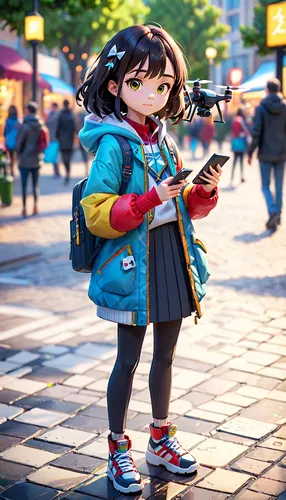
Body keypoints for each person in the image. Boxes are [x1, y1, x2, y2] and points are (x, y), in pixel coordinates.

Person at [76, 24, 222, 495]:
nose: (153, 95)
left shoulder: (165, 139)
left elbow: (181, 209)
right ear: (115, 85)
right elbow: (97, 212)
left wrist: (201, 193)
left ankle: (160, 437)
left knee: (166, 355)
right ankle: (118, 445)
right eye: (140, 83)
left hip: (170, 259)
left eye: (163, 86)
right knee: (128, 359)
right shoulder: (112, 145)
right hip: (130, 264)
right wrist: (146, 200)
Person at [248, 78, 286, 230]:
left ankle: (272, 211)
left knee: (265, 185)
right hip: (282, 153)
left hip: (265, 153)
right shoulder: (284, 107)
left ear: (267, 90)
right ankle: (278, 213)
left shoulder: (261, 108)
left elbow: (257, 132)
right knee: (279, 185)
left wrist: (250, 152)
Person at [16, 102, 44, 217]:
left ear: (28, 111)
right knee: (35, 184)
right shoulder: (40, 124)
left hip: (25, 160)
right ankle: (35, 206)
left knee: (24, 185)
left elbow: (18, 145)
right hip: (36, 158)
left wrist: (19, 154)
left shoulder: (24, 126)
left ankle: (24, 208)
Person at [56, 100, 76, 183]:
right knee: (69, 158)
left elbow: (58, 127)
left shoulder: (60, 115)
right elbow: (75, 127)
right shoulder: (72, 115)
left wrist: (58, 137)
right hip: (70, 140)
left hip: (62, 139)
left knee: (64, 158)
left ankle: (67, 172)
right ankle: (68, 172)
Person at [230, 108, 249, 184]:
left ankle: (232, 177)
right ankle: (241, 176)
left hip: (235, 142)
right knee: (241, 161)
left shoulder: (235, 119)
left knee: (234, 161)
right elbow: (244, 131)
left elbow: (233, 131)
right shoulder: (241, 120)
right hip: (241, 143)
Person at [4, 105, 20, 177]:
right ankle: (14, 168)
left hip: (9, 141)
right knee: (15, 156)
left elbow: (5, 132)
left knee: (10, 156)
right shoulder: (18, 121)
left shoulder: (8, 121)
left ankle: (11, 169)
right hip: (17, 140)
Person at [46, 102, 60, 177]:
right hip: (51, 137)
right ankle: (56, 171)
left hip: (56, 137)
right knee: (54, 155)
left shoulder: (57, 115)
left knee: (55, 155)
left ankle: (57, 171)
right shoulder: (51, 114)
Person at [77, 111, 89, 176]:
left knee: (85, 155)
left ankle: (86, 168)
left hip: (82, 138)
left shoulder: (80, 116)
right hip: (88, 138)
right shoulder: (90, 116)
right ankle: (87, 168)